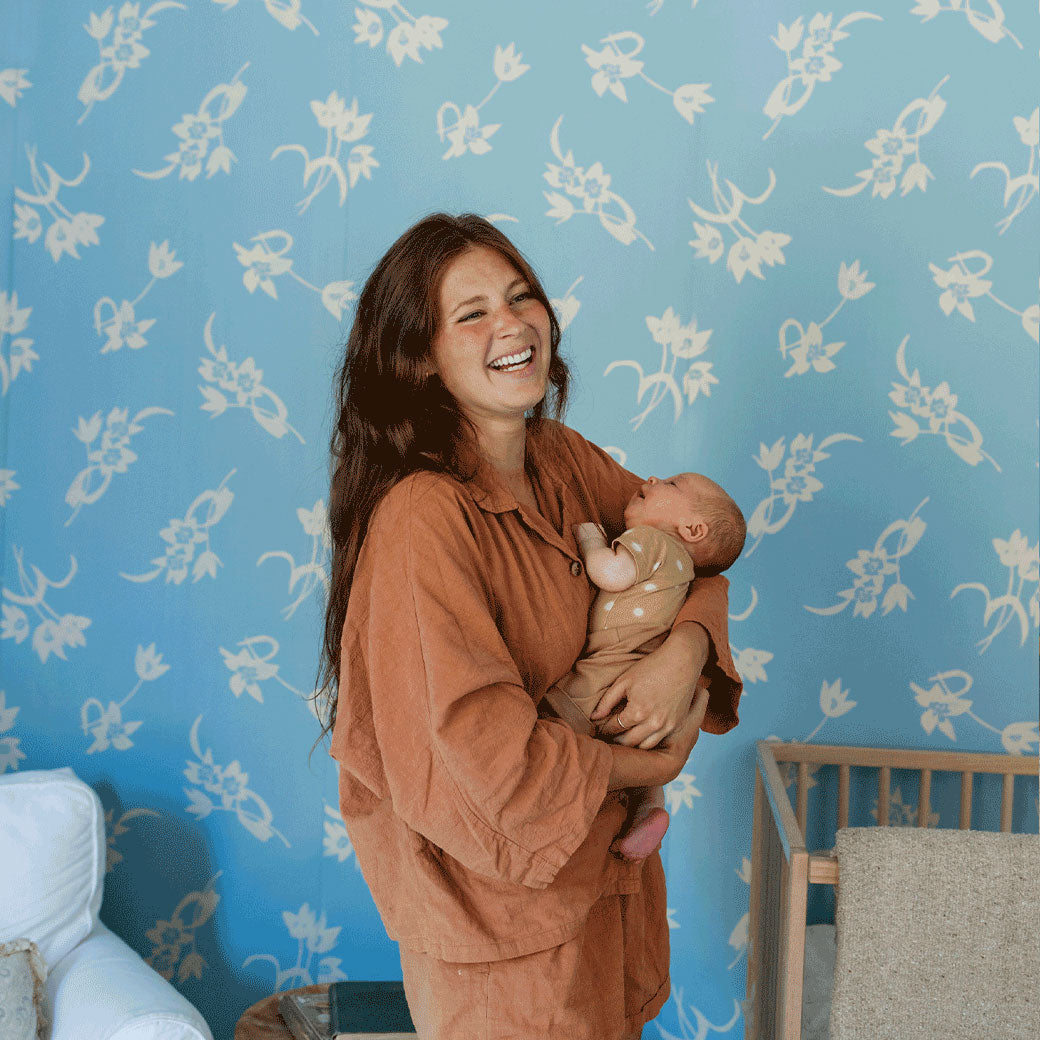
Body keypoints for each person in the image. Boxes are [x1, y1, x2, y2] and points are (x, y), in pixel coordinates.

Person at [316, 212, 743, 1039]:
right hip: (498, 923)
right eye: (470, 312)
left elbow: (695, 554)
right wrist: (650, 758)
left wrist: (681, 652)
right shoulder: (422, 520)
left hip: (602, 890)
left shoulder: (562, 458)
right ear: (419, 356)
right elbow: (483, 757)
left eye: (521, 298)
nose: (510, 324)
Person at [541, 472, 746, 862]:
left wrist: (590, 539)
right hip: (644, 690)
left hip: (604, 679)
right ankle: (648, 810)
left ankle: (563, 828)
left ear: (691, 528)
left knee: (556, 730)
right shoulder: (685, 572)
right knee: (642, 763)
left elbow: (612, 573)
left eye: (670, 484)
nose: (652, 478)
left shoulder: (652, 542)